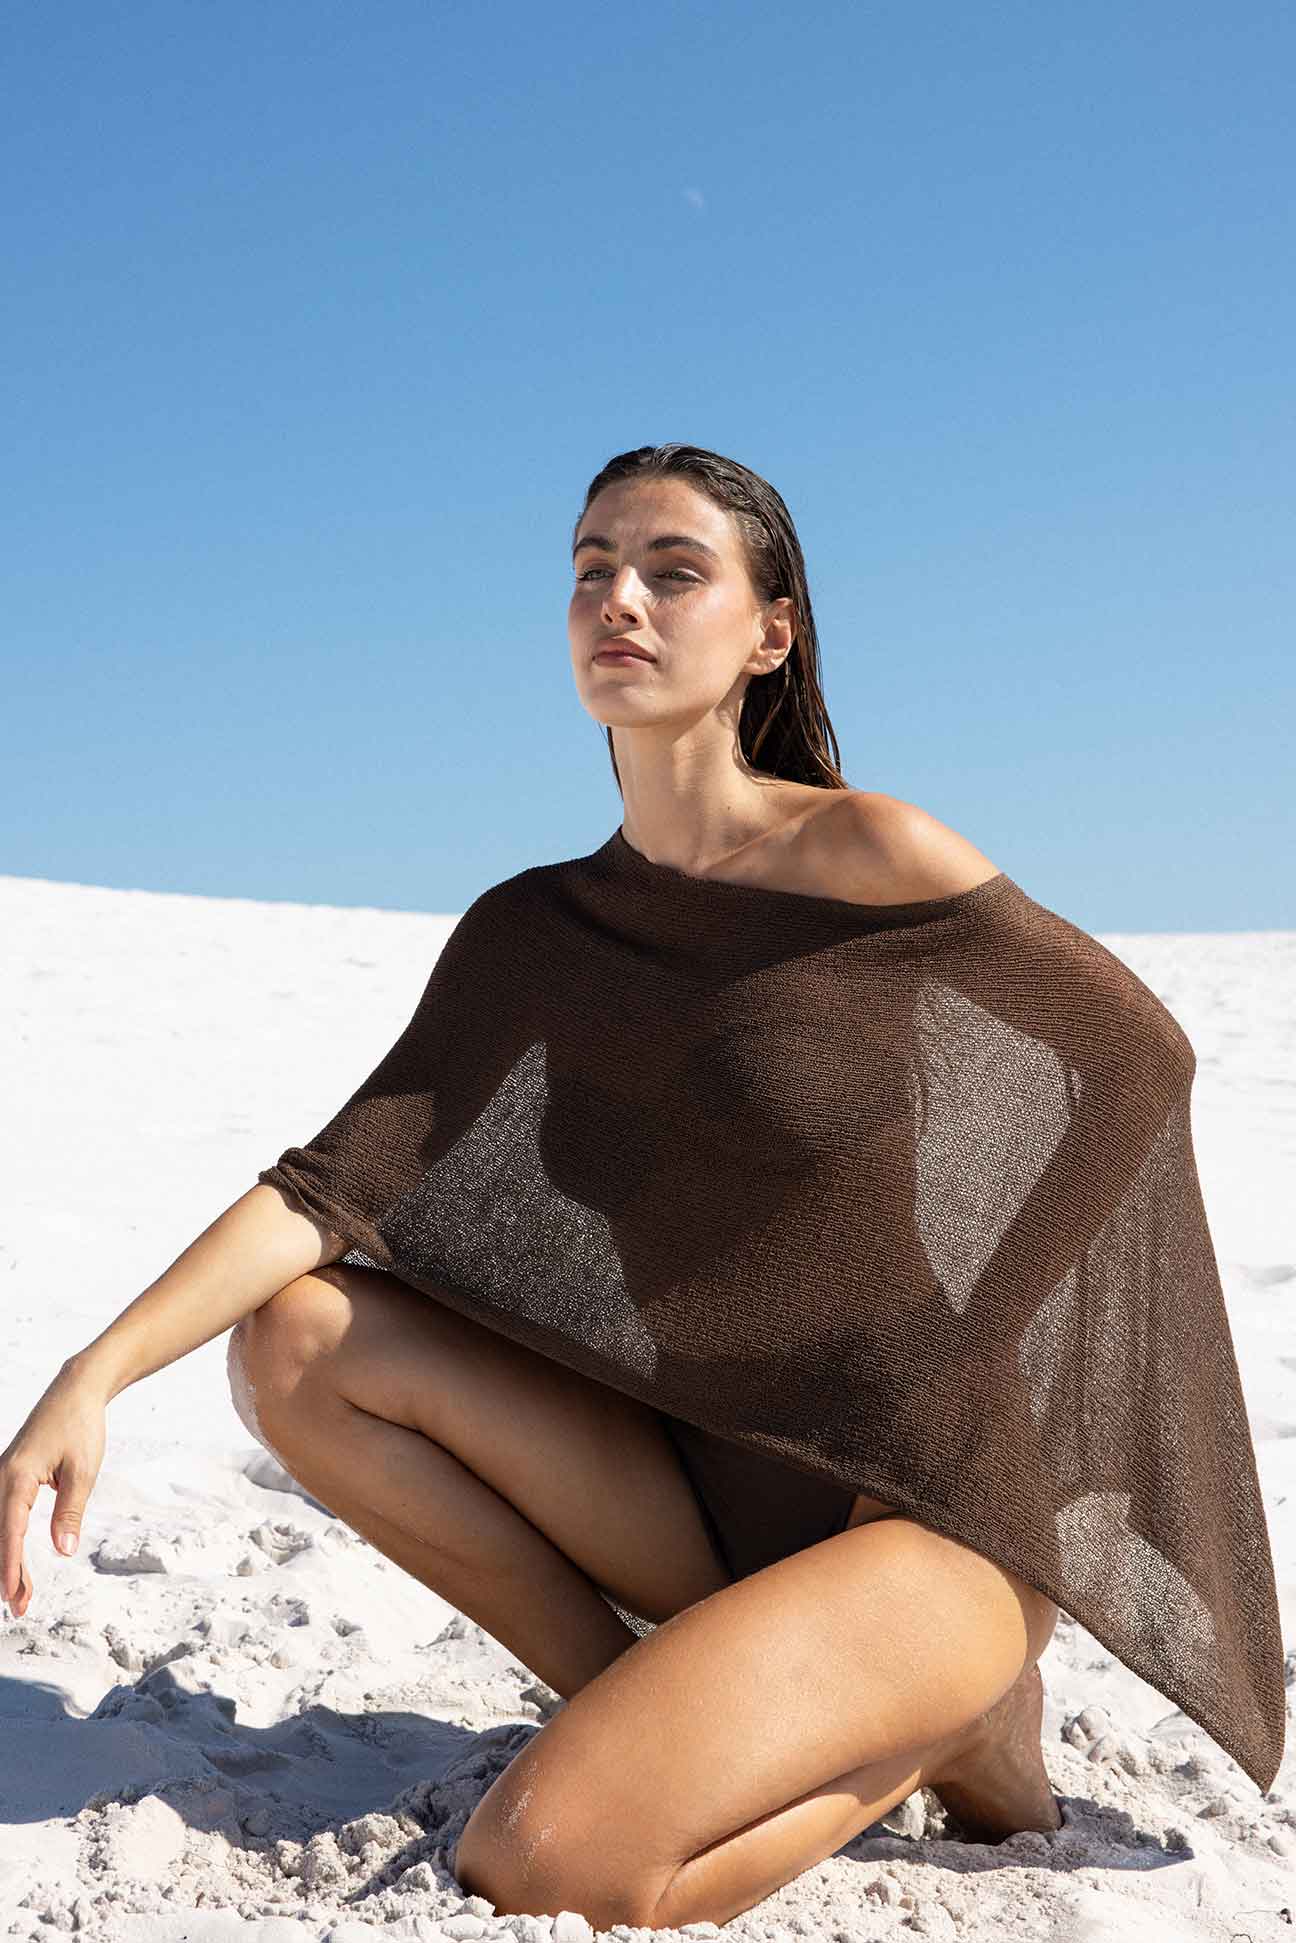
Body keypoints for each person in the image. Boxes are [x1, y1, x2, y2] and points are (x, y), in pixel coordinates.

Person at [3, 444, 1069, 1931]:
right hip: (692, 1496)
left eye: (671, 571)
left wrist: (998, 1357)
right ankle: (661, 1708)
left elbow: (1126, 1069)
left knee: (548, 1865)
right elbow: (331, 1187)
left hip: (921, 1523)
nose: (616, 600)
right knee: (299, 1338)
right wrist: (92, 1373)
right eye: (589, 571)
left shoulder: (869, 856)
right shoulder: (534, 932)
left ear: (772, 633)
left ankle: (935, 1724)